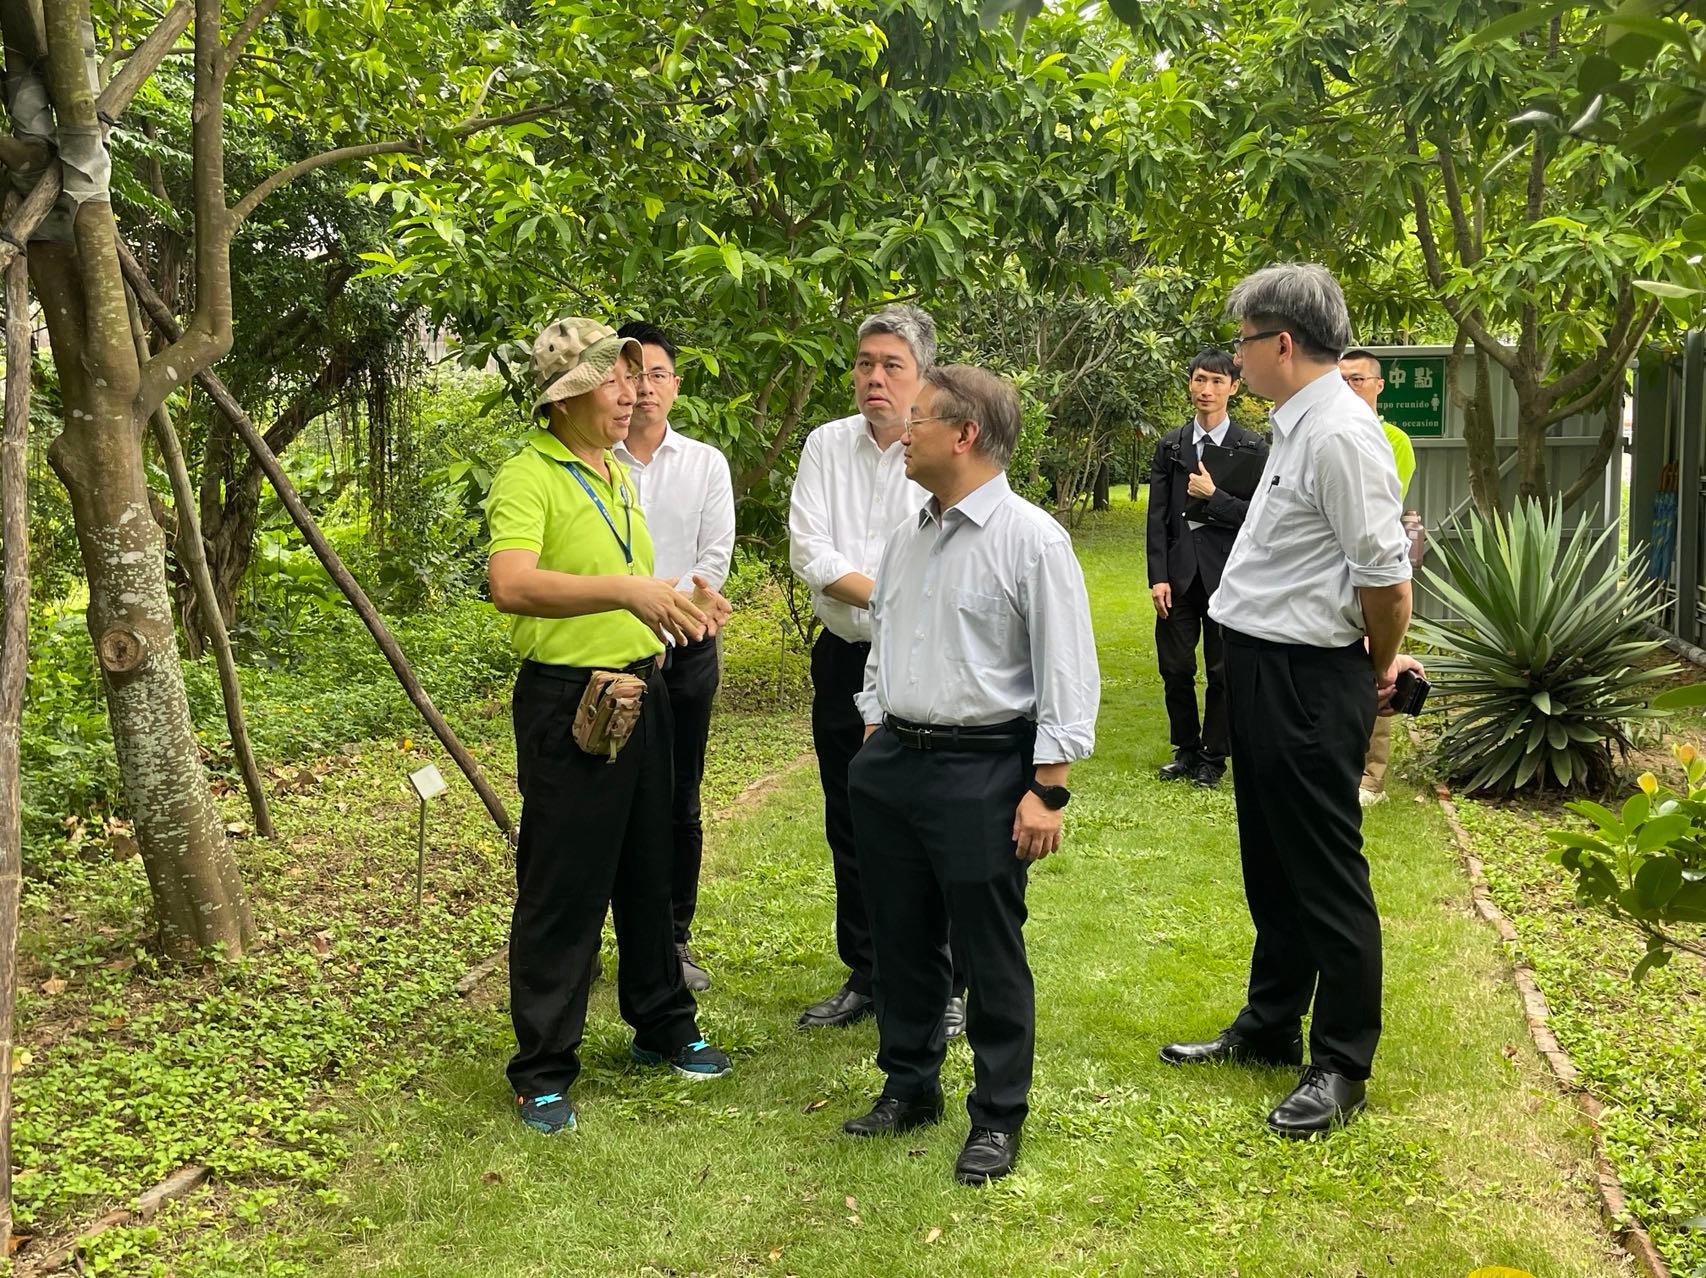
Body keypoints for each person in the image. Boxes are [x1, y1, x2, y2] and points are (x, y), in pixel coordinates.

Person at [1158, 266, 1423, 1138]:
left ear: (1279, 344)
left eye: (1240, 341)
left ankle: (1342, 1061)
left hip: (1312, 680)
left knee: (1324, 873)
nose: (1231, 357)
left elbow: (1386, 580)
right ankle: (1270, 1027)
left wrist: (1380, 670)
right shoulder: (1297, 427)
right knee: (1271, 863)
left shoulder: (1344, 436)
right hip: (1264, 670)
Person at [841, 364, 1100, 1186]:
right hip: (894, 766)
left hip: (984, 767)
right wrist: (876, 725)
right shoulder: (907, 532)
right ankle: (910, 1084)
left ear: (966, 435)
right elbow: (885, 638)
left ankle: (996, 1116)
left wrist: (1047, 788)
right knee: (902, 937)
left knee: (988, 949)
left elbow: (1067, 673)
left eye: (918, 417)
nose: (901, 431)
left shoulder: (1033, 540)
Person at [485, 317, 735, 1136]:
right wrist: (628, 592)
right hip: (571, 704)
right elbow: (513, 585)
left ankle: (661, 1025)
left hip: (644, 690)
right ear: (564, 397)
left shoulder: (613, 473)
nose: (632, 394)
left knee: (649, 867)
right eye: (613, 380)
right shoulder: (531, 475)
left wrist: (677, 603)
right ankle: (544, 1068)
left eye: (635, 379)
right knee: (564, 883)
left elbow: (626, 586)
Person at [787, 305, 967, 1036]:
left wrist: (894, 606)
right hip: (844, 656)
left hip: (923, 661)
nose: (874, 379)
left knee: (934, 821)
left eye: (891, 365)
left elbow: (956, 552)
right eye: (865, 364)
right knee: (851, 815)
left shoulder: (945, 446)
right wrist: (889, 597)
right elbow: (811, 552)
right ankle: (866, 971)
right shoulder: (827, 446)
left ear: (921, 373)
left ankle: (946, 981)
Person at [614, 321, 737, 991]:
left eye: (658, 375)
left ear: (676, 387)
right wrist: (636, 624)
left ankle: (674, 938)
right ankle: (627, 935)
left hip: (687, 649)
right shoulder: (595, 463)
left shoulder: (705, 464)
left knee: (679, 798)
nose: (646, 388)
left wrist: (664, 624)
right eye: (634, 376)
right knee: (615, 795)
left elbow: (711, 562)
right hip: (611, 653)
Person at [1146, 348, 1269, 788]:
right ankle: (1185, 749)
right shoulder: (1171, 444)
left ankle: (1214, 757)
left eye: (1217, 381)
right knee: (1175, 667)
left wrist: (1213, 496)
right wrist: (1157, 576)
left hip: (1228, 575)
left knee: (1222, 669)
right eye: (1200, 379)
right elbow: (1157, 515)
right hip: (1178, 576)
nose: (1206, 390)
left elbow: (1260, 517)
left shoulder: (1253, 447)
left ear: (1234, 387)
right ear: (1190, 383)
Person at [1338, 349, 1416, 809]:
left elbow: (1378, 508)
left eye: (1358, 379)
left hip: (1376, 569)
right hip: (1337, 576)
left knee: (1380, 664)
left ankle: (1373, 776)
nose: (1350, 387)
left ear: (1378, 385)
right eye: (1342, 379)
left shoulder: (1392, 439)